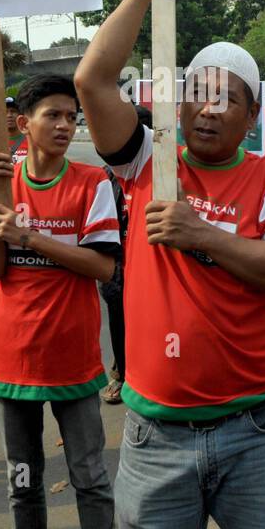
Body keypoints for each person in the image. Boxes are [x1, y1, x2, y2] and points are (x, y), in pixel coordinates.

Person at [75, 0, 265, 529]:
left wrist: (202, 233)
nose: (209, 109)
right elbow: (93, 79)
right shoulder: (146, 163)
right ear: (179, 102)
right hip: (155, 434)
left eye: (227, 98)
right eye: (198, 93)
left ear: (253, 112)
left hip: (255, 428)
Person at [0, 74, 120, 529]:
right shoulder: (1, 184)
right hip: (11, 357)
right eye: (52, 115)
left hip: (72, 359)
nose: (64, 126)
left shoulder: (92, 182)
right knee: (22, 482)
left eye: (70, 117)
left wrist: (29, 236)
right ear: (24, 123)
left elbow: (102, 266)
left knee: (90, 477)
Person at [99, 103, 150, 406]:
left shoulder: (166, 171)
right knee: (119, 319)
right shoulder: (106, 177)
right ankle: (121, 373)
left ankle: (149, 372)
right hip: (118, 264)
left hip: (153, 262)